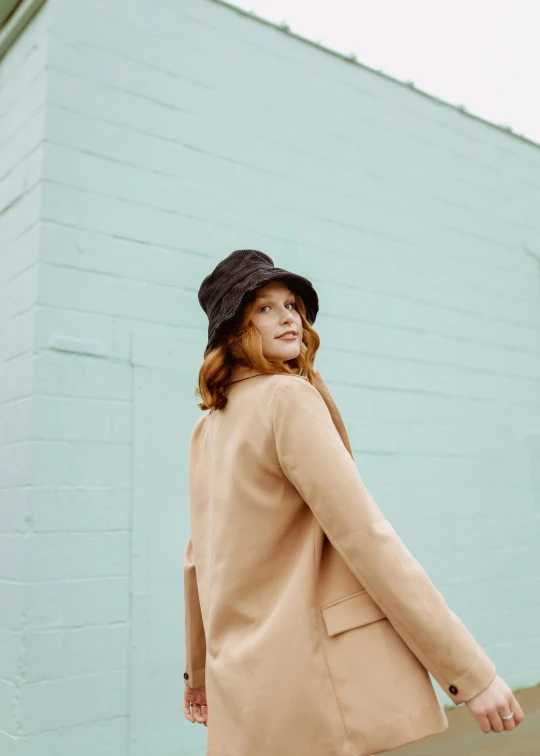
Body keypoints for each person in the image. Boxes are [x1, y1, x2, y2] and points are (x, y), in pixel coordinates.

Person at [182, 249, 524, 755]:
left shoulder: (207, 428)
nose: (288, 318)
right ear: (233, 328)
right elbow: (366, 537)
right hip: (313, 678)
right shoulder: (288, 399)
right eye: (264, 308)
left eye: (292, 304)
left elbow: (196, 558)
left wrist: (200, 672)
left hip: (247, 689)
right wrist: (468, 674)